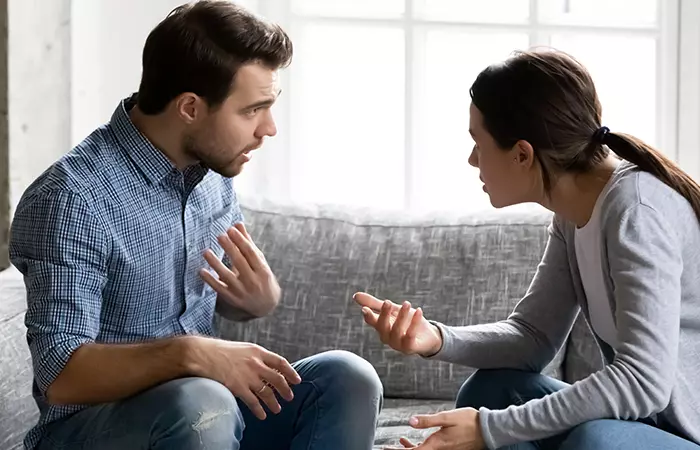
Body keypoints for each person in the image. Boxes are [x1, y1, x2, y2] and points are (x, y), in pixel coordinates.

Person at [10, 2, 382, 449]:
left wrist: (255, 302)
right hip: (98, 430)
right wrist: (190, 353)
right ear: (190, 107)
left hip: (205, 421)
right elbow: (61, 376)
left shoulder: (211, 175)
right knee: (201, 401)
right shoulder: (71, 199)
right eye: (252, 111)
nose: (269, 129)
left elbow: (197, 299)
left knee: (347, 379)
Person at [355, 49, 700, 450]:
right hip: (644, 428)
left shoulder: (637, 213)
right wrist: (434, 338)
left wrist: (489, 430)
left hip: (682, 434)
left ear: (522, 154)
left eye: (477, 144)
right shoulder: (572, 213)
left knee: (597, 441)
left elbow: (643, 382)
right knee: (491, 391)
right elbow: (532, 337)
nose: (471, 160)